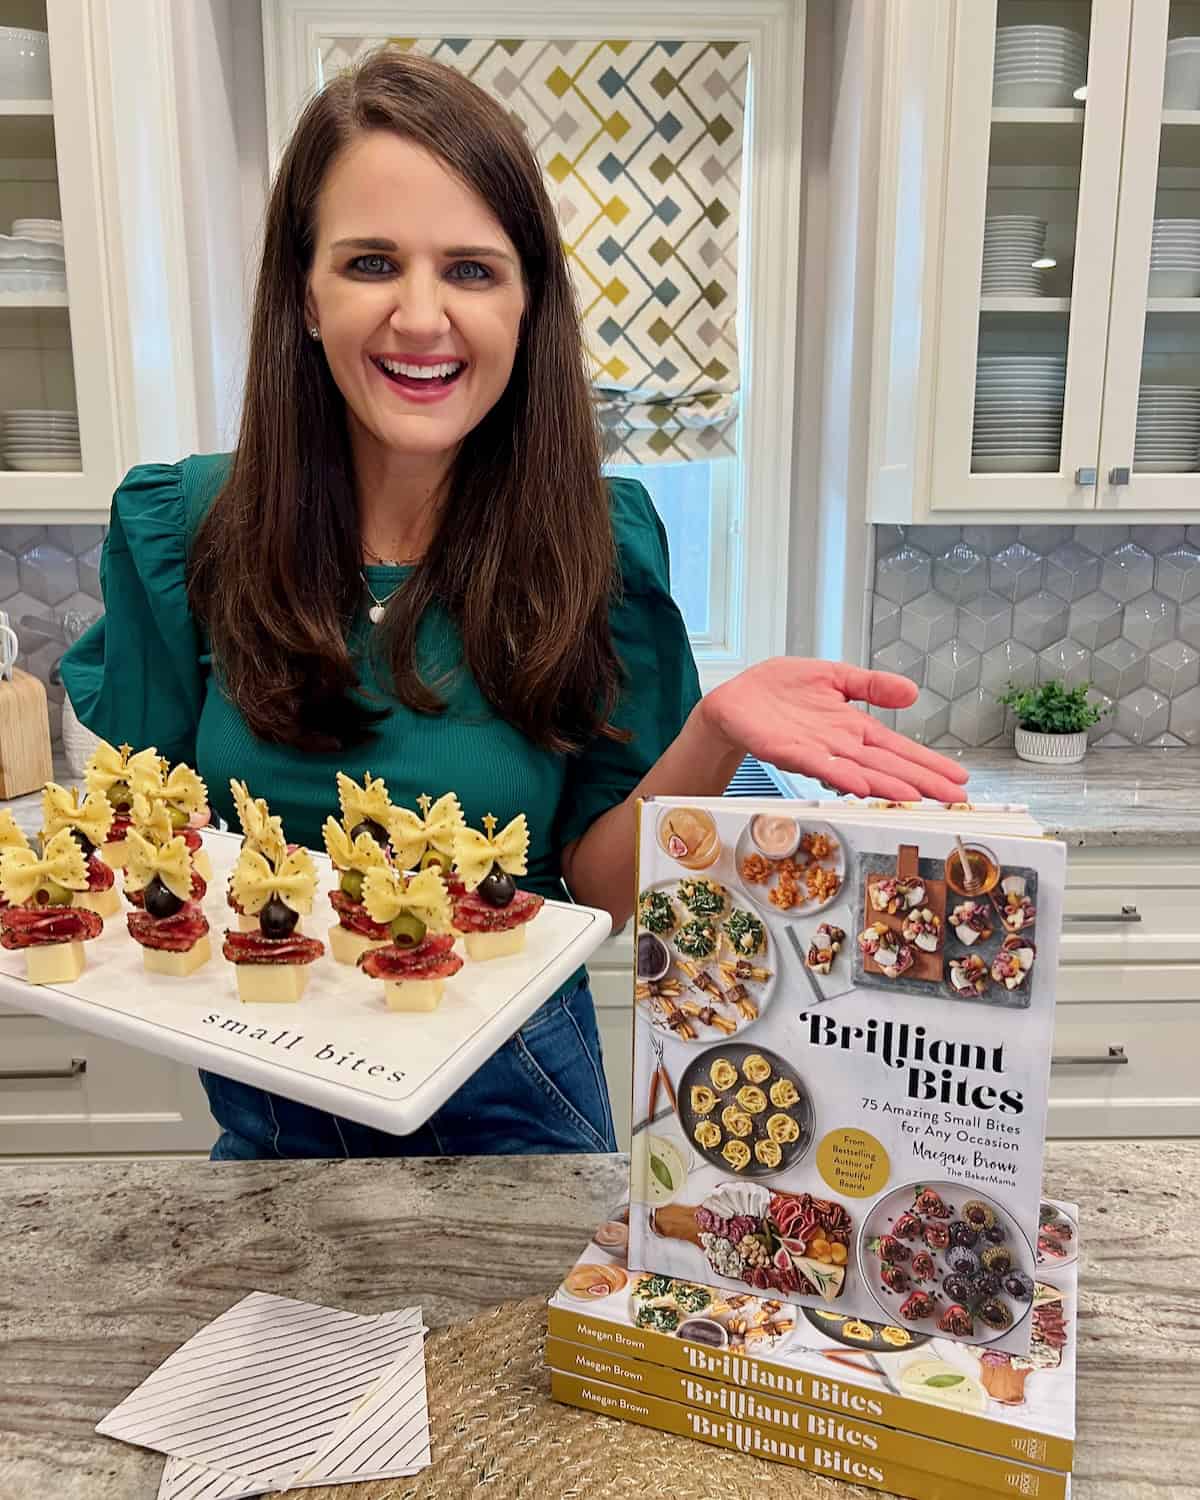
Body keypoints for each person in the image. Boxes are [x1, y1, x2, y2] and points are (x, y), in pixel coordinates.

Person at [62, 49, 966, 1161]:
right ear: (303, 294)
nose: (422, 316)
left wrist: (715, 733)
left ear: (528, 302)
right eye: (371, 262)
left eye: (473, 270)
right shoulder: (187, 529)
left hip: (521, 1115)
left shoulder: (597, 544)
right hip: (272, 1122)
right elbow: (152, 845)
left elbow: (601, 893)